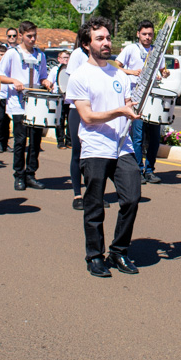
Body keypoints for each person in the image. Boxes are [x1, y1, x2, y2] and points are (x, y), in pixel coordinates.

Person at [65, 16, 143, 277]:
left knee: (131, 199)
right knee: (95, 205)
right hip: (96, 147)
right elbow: (87, 117)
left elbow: (128, 103)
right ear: (87, 44)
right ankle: (95, 256)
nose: (106, 42)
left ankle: (119, 251)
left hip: (123, 147)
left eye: (108, 37)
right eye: (100, 38)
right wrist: (119, 111)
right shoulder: (79, 76)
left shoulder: (119, 73)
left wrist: (132, 109)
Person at [0, 21, 54, 192]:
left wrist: (46, 82)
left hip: (36, 104)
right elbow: (0, 75)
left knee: (36, 141)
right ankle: (19, 175)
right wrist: (14, 81)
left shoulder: (40, 55)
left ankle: (31, 174)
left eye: (34, 36)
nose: (32, 39)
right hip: (19, 104)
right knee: (20, 140)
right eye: (29, 36)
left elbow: (43, 76)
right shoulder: (12, 54)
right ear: (21, 35)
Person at [117, 20, 165, 184]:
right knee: (137, 136)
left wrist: (164, 74)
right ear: (138, 34)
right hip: (136, 96)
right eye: (144, 34)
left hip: (153, 98)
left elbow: (162, 70)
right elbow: (116, 66)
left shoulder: (157, 51)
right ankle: (137, 169)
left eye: (150, 34)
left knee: (154, 137)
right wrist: (132, 72)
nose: (147, 37)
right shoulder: (131, 49)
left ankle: (149, 170)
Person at [65, 28, 90, 210]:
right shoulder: (77, 55)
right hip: (77, 109)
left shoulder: (100, 58)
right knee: (77, 152)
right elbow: (71, 80)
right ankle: (77, 194)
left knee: (91, 155)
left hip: (95, 111)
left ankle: (92, 192)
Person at [0, 32, 16, 153]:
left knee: (7, 120)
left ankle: (5, 143)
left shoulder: (11, 67)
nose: (3, 57)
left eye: (4, 55)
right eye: (1, 55)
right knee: (0, 120)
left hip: (9, 97)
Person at [52, 50, 71, 148]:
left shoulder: (71, 70)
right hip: (59, 98)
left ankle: (69, 141)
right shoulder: (55, 69)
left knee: (70, 120)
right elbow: (49, 81)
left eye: (68, 57)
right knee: (60, 120)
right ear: (59, 59)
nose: (66, 59)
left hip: (68, 98)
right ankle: (60, 141)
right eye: (64, 57)